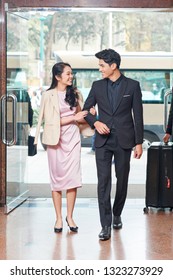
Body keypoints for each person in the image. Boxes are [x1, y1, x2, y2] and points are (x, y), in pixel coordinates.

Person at [83, 49, 144, 241]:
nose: (99, 69)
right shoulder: (97, 86)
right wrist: (96, 122)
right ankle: (105, 225)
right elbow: (86, 110)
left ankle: (117, 212)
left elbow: (138, 116)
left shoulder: (133, 86)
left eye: (102, 65)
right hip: (103, 142)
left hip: (124, 140)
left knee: (122, 179)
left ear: (113, 66)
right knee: (103, 183)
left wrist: (139, 142)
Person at [34, 62, 92, 233]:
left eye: (71, 73)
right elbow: (50, 122)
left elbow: (81, 118)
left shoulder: (75, 93)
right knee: (57, 181)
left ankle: (70, 216)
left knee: (73, 179)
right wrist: (74, 117)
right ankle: (58, 218)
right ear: (57, 77)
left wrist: (89, 114)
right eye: (67, 74)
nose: (71, 76)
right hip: (55, 140)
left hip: (73, 139)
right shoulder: (48, 95)